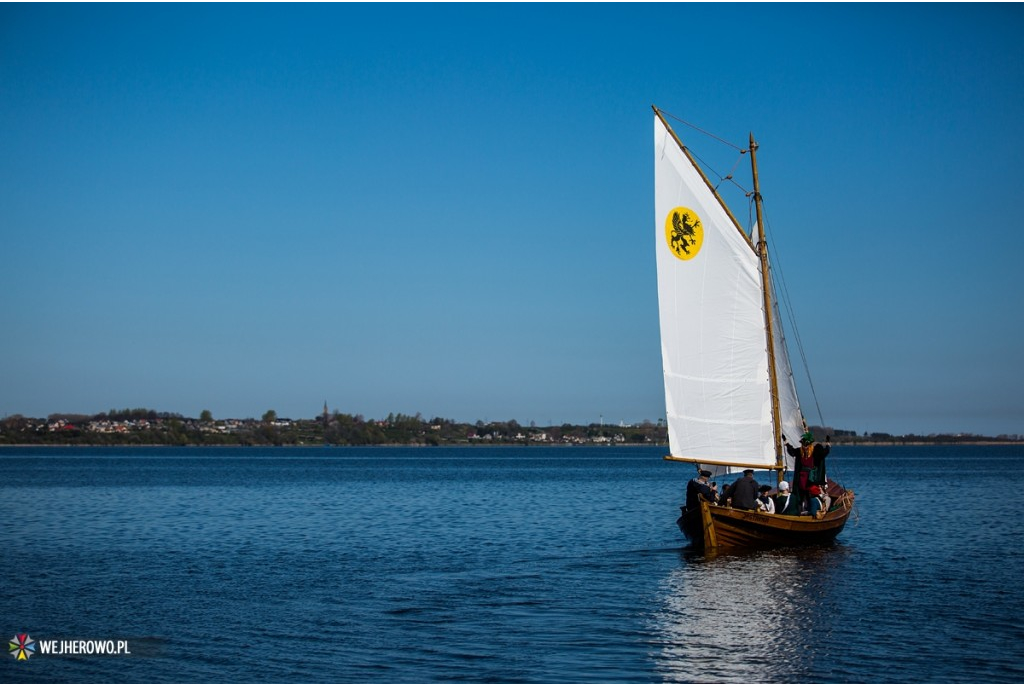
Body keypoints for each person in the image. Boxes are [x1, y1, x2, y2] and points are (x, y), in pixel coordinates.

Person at [785, 431, 831, 510]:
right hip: (801, 479)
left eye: (806, 445)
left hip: (811, 479)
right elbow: (792, 451)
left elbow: (824, 453)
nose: (804, 447)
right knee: (800, 496)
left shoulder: (815, 451)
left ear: (810, 445)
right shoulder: (800, 452)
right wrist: (786, 442)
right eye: (803, 445)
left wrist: (827, 444)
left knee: (810, 496)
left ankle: (811, 511)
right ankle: (799, 512)